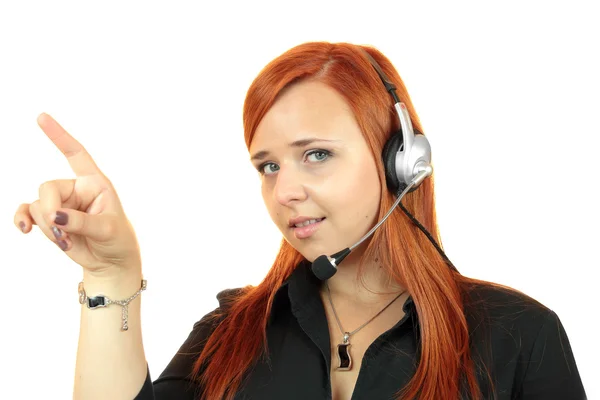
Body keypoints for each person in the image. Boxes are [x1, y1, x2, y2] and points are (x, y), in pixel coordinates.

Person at [14, 41, 586, 400]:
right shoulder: (230, 331)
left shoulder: (518, 336)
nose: (284, 191)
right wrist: (112, 275)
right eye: (267, 165)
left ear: (402, 162)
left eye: (316, 154)